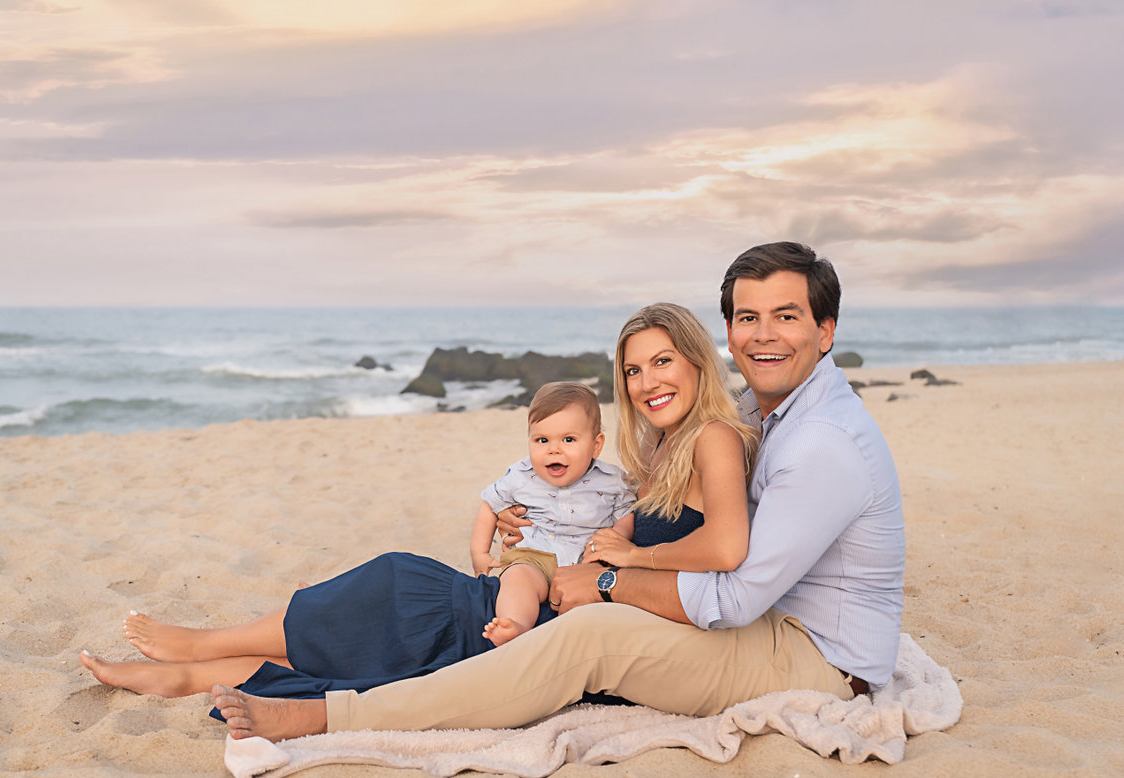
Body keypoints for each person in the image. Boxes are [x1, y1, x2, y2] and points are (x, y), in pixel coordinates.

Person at [212, 241, 906, 742]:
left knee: (583, 639)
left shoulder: (820, 443)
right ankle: (295, 654)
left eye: (786, 316)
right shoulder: (763, 412)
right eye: (748, 318)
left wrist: (608, 581)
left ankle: (328, 715)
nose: (763, 334)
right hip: (775, 624)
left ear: (825, 329)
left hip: (815, 659)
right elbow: (676, 513)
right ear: (726, 333)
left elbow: (736, 589)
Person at [80, 304, 754, 708]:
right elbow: (618, 518)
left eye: (663, 362)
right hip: (538, 605)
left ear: (697, 361)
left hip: (547, 626)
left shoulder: (714, 438)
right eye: (634, 370)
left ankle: (201, 649)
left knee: (392, 591)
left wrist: (628, 561)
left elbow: (726, 549)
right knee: (381, 602)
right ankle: (193, 668)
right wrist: (549, 527)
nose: (646, 382)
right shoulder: (667, 453)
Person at [472, 381, 636, 646]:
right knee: (518, 580)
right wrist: (479, 554)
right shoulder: (520, 476)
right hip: (535, 556)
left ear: (596, 445)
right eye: (542, 440)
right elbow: (489, 505)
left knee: (594, 600)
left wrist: (615, 539)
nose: (553, 449)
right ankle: (515, 624)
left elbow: (625, 513)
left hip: (588, 560)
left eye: (569, 439)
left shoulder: (613, 481)